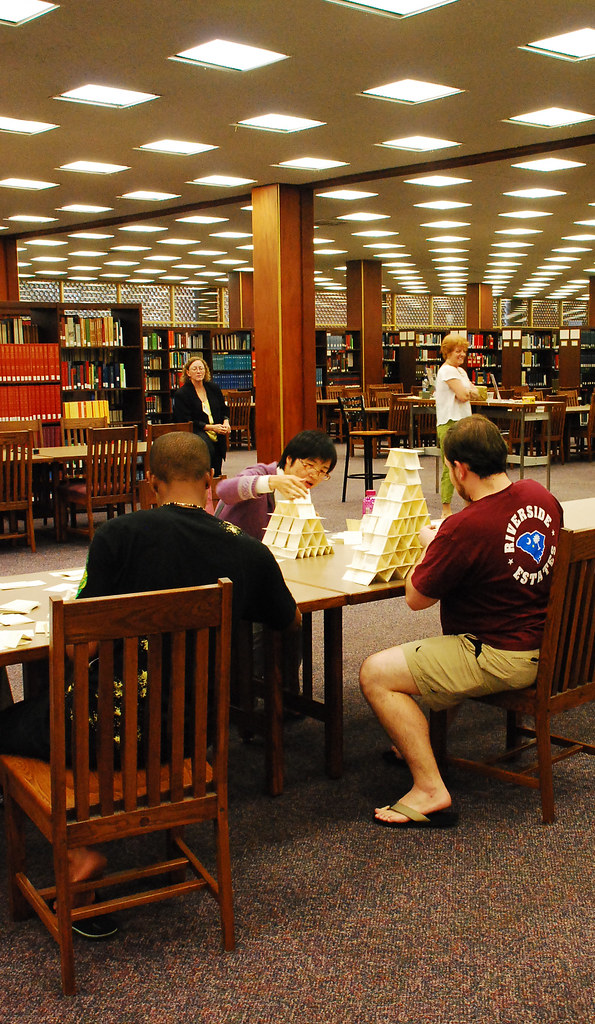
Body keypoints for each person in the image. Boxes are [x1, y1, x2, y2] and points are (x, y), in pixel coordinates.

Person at [0, 432, 299, 936]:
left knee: (13, 723)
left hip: (107, 730)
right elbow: (287, 621)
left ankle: (82, 848)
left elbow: (84, 643)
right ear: (210, 480)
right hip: (193, 733)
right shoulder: (248, 551)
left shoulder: (120, 536)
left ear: (151, 484)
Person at [359, 414, 562, 830]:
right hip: (547, 643)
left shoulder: (464, 526)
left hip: (501, 654)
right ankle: (414, 744)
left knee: (375, 673)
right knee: (444, 647)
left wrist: (433, 544)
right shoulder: (540, 494)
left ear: (459, 468)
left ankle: (430, 789)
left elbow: (415, 598)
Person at [215, 429, 337, 539]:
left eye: (322, 471)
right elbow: (223, 490)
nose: (315, 475)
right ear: (289, 459)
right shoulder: (262, 473)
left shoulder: (302, 488)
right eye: (309, 465)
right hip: (230, 548)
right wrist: (271, 482)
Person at [434, 333, 481, 518]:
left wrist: (468, 391)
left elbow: (475, 393)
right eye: (457, 351)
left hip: (464, 421)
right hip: (448, 422)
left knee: (467, 464)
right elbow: (464, 395)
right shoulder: (446, 371)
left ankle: (468, 503)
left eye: (464, 351)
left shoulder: (461, 372)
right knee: (450, 466)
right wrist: (469, 391)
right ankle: (446, 509)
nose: (462, 355)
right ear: (448, 352)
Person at [172, 355, 230, 475]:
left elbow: (224, 409)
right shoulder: (182, 394)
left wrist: (226, 422)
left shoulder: (213, 388)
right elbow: (185, 421)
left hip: (217, 431)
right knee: (206, 460)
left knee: (217, 469)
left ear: (205, 371)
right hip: (197, 432)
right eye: (195, 369)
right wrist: (211, 427)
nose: (199, 371)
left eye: (201, 368)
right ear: (188, 372)